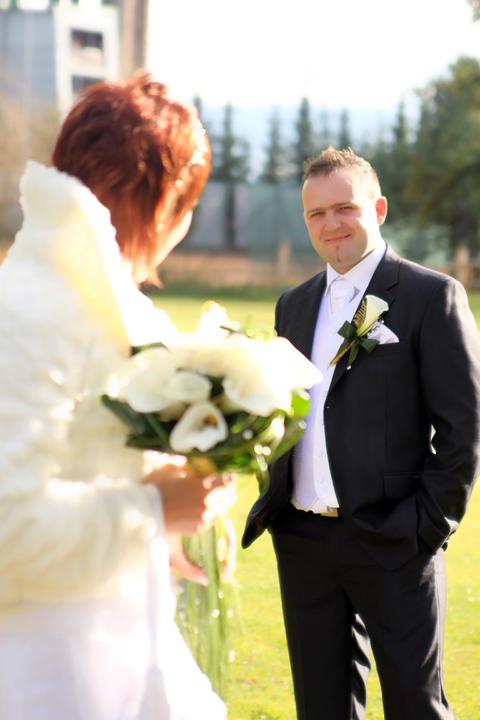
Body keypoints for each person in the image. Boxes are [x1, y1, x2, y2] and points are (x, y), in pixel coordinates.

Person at [0, 74, 233, 719]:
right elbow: (8, 531)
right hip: (44, 671)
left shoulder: (103, 306)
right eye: (187, 205)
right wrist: (152, 510)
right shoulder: (33, 309)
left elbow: (83, 454)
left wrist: (174, 515)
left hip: (115, 638)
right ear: (165, 203)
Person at [242, 147, 480, 720]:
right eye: (316, 213)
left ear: (378, 208)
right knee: (320, 708)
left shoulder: (431, 296)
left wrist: (425, 525)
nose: (331, 224)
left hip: (395, 539)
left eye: (344, 208)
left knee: (415, 707)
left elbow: (464, 428)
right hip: (303, 542)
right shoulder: (293, 305)